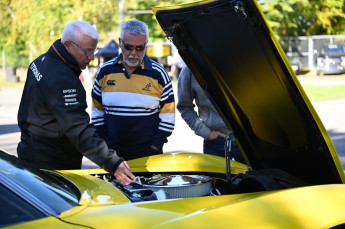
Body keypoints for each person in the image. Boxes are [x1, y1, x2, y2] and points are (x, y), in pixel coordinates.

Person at [17, 20, 135, 185]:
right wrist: (112, 162)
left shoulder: (41, 61)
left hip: (30, 153)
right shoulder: (62, 78)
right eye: (87, 51)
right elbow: (78, 128)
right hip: (51, 167)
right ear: (67, 45)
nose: (92, 57)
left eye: (94, 50)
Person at [91, 19, 175, 160]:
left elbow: (168, 116)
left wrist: (155, 146)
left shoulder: (159, 73)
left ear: (146, 45)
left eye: (139, 48)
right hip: (112, 157)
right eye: (129, 47)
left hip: (150, 157)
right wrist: (105, 146)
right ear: (120, 42)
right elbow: (96, 112)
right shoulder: (105, 71)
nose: (133, 53)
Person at [177, 66, 245, 163]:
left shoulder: (240, 59)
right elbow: (184, 106)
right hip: (216, 143)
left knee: (255, 178)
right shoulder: (189, 70)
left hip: (249, 140)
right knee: (217, 179)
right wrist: (206, 132)